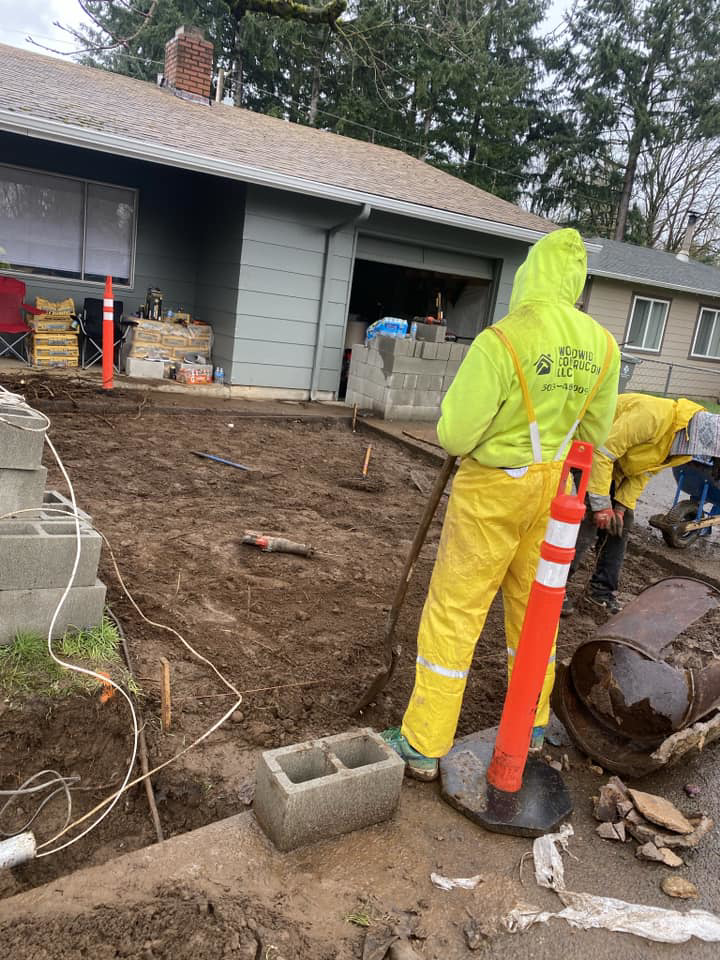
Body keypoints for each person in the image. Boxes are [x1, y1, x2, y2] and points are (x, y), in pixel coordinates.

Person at [382, 228, 620, 781]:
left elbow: (457, 434)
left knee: (456, 610)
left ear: (529, 276)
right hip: (557, 489)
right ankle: (531, 722)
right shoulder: (604, 346)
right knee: (536, 608)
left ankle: (424, 741)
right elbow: (598, 429)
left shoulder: (504, 339)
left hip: (493, 488)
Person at [562, 393, 720, 616]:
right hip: (587, 451)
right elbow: (603, 452)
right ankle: (556, 586)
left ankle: (600, 593)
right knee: (586, 521)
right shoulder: (653, 416)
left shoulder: (684, 450)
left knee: (621, 525)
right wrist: (600, 505)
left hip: (613, 466)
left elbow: (642, 472)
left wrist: (619, 507)